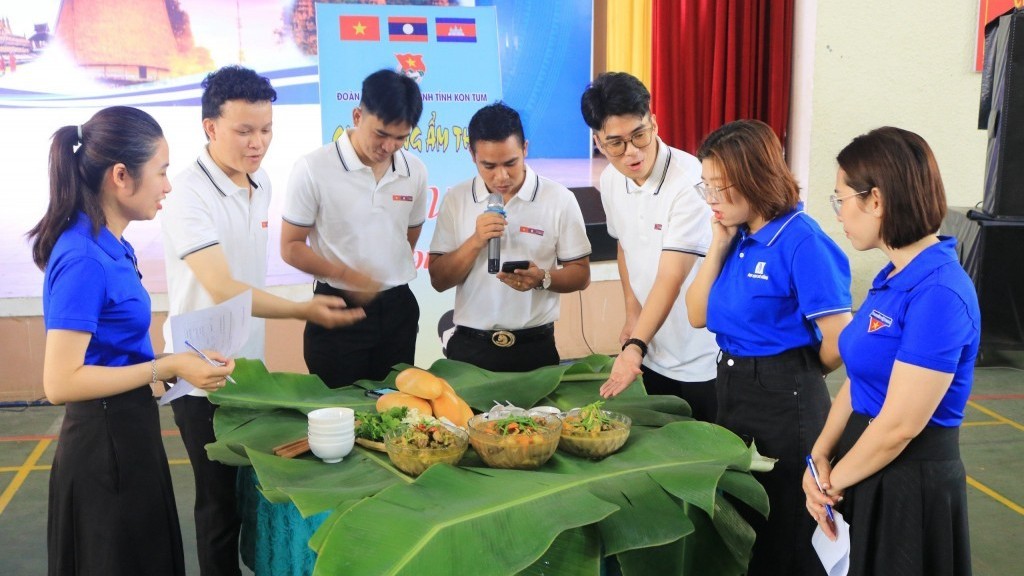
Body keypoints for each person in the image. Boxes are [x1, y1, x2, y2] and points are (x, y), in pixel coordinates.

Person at [160, 66, 364, 576]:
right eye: (244, 131)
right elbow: (223, 286)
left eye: (266, 129)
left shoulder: (261, 181)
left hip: (247, 370)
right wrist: (302, 308)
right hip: (199, 373)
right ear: (210, 128)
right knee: (217, 507)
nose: (258, 143)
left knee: (251, 494)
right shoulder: (187, 194)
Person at [28, 106, 234, 576]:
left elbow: (114, 353)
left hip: (130, 431)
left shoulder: (111, 244)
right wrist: (169, 367)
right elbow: (60, 382)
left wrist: (175, 360)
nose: (168, 185)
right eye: (160, 172)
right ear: (121, 176)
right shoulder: (83, 257)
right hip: (105, 449)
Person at [804, 127, 978, 576]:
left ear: (876, 200)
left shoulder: (939, 291)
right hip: (862, 465)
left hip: (908, 485)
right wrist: (820, 456)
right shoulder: (891, 277)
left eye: (841, 198)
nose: (838, 213)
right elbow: (859, 378)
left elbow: (900, 426)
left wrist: (829, 485)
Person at [684, 119, 852, 575]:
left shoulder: (802, 240)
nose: (713, 199)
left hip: (785, 396)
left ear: (756, 178)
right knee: (749, 521)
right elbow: (697, 314)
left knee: (789, 530)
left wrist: (796, 370)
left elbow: (840, 338)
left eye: (722, 187)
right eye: (707, 187)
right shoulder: (735, 234)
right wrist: (718, 245)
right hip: (732, 386)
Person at [579, 72, 720, 421]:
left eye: (639, 135)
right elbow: (625, 246)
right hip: (653, 349)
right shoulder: (612, 181)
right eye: (616, 143)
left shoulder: (690, 181)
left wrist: (634, 346)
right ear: (598, 142)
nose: (632, 152)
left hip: (701, 355)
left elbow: (672, 276)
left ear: (654, 123)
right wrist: (632, 313)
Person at [281, 68, 428, 388]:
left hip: (397, 309)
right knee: (338, 414)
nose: (389, 146)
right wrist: (348, 276)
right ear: (358, 115)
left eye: (401, 137)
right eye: (380, 134)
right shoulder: (313, 168)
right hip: (336, 308)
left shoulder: (414, 171)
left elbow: (408, 237)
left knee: (396, 409)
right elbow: (290, 246)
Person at [429, 102, 591, 371]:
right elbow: (438, 280)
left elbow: (581, 275)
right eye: (489, 165)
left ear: (525, 148)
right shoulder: (456, 199)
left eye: (511, 163)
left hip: (534, 348)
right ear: (472, 155)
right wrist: (476, 241)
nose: (501, 176)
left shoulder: (559, 199)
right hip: (470, 349)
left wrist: (543, 278)